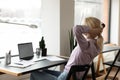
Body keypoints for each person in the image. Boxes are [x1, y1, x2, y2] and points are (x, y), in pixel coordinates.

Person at [30, 17, 105, 80]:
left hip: (66, 77)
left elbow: (76, 29)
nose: (83, 28)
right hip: (72, 76)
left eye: (85, 26)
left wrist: (91, 30)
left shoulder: (86, 45)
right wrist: (94, 30)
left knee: (34, 73)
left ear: (89, 29)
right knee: (43, 71)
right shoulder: (97, 45)